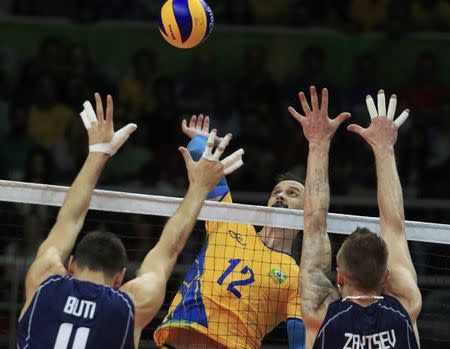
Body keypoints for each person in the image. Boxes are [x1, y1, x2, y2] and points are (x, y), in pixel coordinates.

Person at [16, 93, 244, 349]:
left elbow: (68, 220)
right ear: (120, 278)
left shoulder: (43, 281)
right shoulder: (129, 305)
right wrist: (199, 188)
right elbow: (168, 250)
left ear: (71, 264)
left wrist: (97, 152)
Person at [154, 114, 306, 349]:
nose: (280, 195)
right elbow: (204, 165)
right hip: (178, 339)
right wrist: (199, 140)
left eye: (292, 193)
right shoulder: (232, 221)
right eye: (276, 191)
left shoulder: (296, 276)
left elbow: (300, 340)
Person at [288, 86, 421, 348]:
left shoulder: (321, 314)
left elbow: (314, 223)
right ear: (385, 278)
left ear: (339, 277)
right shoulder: (406, 306)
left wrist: (318, 143)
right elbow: (395, 226)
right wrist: (385, 149)